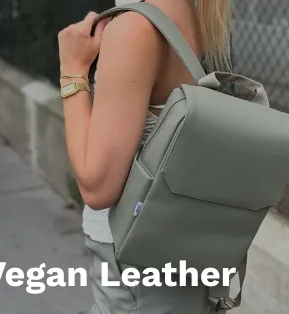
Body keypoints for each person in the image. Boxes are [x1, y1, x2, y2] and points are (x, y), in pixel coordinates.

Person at [57, 0, 231, 312]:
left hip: (131, 260)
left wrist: (72, 69)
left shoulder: (134, 28)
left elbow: (97, 187)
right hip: (171, 245)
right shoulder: (183, 9)